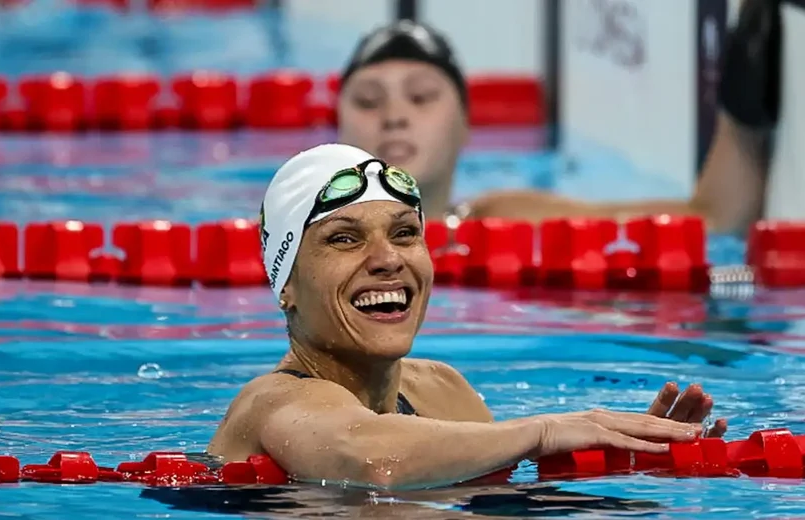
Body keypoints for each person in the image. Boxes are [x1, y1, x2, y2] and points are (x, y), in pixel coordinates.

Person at [207, 143, 726, 488]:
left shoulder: (441, 390)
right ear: (286, 287)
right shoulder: (271, 403)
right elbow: (365, 457)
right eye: (344, 239)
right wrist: (546, 432)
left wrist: (626, 461)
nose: (389, 259)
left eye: (406, 233)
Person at [335, 8, 776, 236]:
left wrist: (741, 114)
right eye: (369, 101)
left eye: (421, 97)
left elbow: (715, 218)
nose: (394, 117)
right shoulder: (299, 234)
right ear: (337, 128)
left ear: (464, 125)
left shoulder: (504, 219)